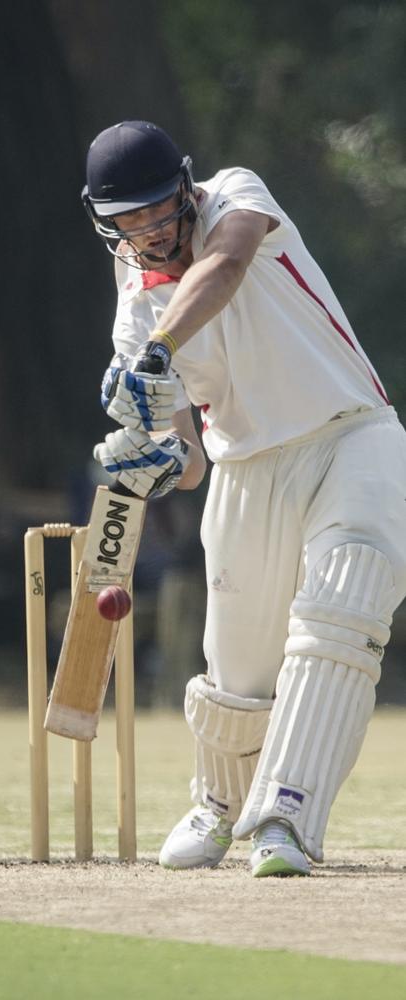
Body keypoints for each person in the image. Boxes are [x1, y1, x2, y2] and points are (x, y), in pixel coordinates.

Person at [85, 120, 406, 876]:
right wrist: (154, 455)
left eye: (161, 211)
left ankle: (285, 816)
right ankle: (219, 805)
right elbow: (188, 463)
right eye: (130, 222)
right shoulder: (134, 310)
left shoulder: (235, 194)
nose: (152, 233)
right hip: (243, 472)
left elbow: (225, 266)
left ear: (185, 190)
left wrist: (155, 352)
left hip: (351, 435)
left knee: (341, 610)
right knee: (240, 674)